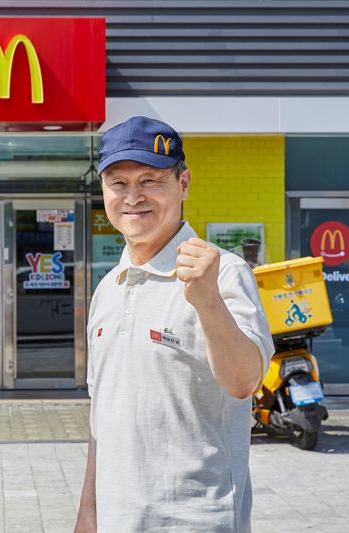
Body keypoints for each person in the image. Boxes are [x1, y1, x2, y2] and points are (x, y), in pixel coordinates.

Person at [75, 117, 275, 532]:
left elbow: (245, 382)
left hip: (195, 519)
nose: (133, 197)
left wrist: (208, 302)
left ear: (183, 183)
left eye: (150, 180)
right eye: (119, 183)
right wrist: (88, 514)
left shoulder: (224, 274)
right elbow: (103, 416)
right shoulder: (108, 288)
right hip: (116, 520)